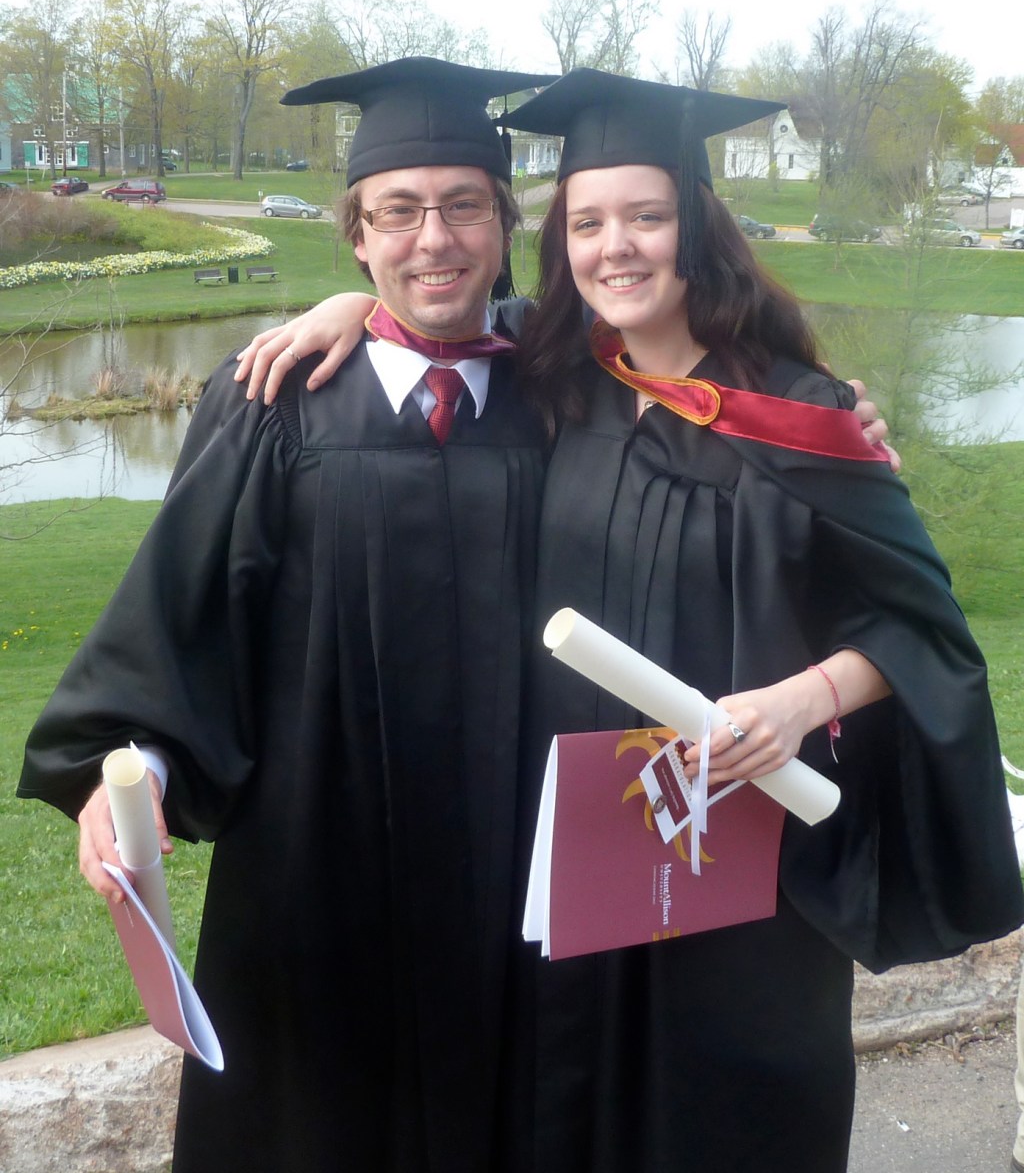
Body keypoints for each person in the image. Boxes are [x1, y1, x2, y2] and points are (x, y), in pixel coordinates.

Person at [239, 68, 1023, 1171]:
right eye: (587, 223)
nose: (616, 248)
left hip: (737, 863)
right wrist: (347, 305)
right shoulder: (557, 380)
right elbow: (436, 310)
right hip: (582, 852)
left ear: (696, 230)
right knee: (573, 1113)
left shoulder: (803, 422)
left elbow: (926, 636)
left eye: (645, 218)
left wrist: (800, 702)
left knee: (721, 1119)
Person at [17, 57, 554, 1173]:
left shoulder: (575, 402)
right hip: (319, 875)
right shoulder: (272, 403)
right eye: (397, 212)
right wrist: (138, 774)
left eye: (463, 205)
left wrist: (835, 421)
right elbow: (187, 613)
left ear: (504, 226)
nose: (433, 239)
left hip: (528, 879)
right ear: (356, 236)